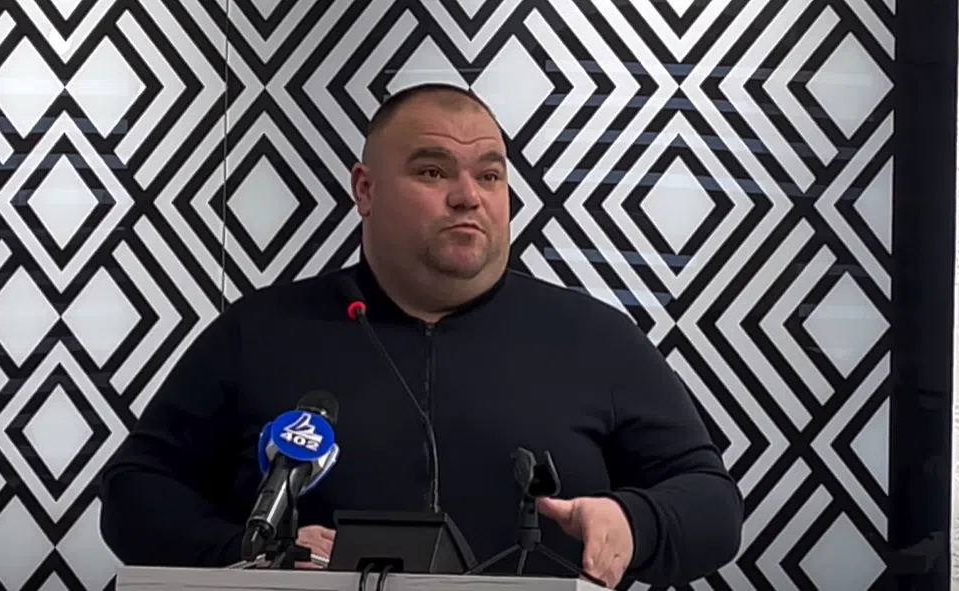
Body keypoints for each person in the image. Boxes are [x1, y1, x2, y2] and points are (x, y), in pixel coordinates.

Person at [99, 82, 743, 589]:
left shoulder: (597, 339)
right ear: (366, 189)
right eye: (433, 172)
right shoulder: (259, 331)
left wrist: (634, 523)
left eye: (489, 175)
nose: (468, 196)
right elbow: (135, 493)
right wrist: (249, 554)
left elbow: (712, 503)